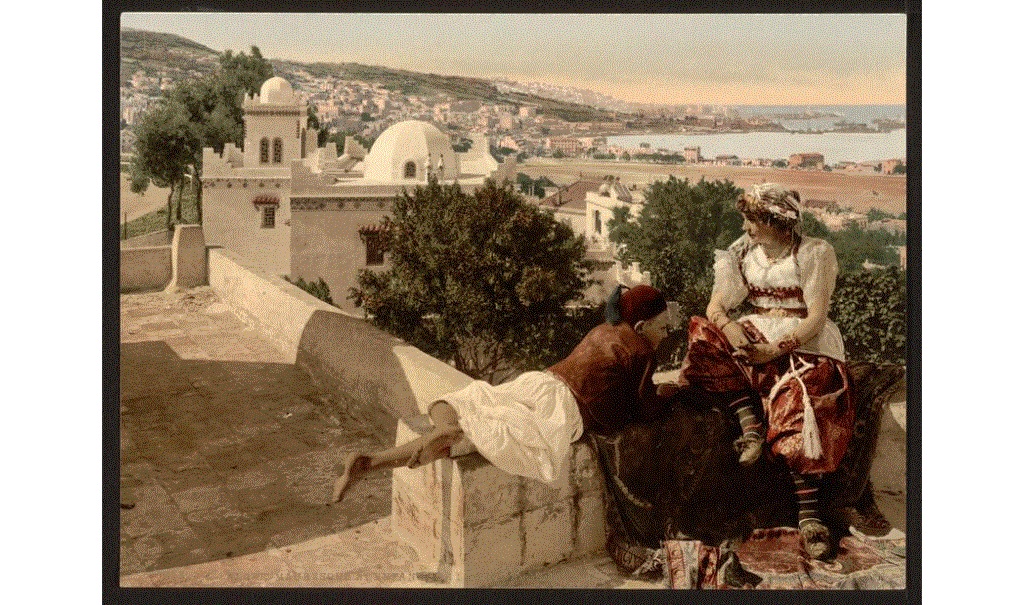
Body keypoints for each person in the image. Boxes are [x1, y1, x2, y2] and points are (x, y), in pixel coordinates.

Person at [332, 284, 678, 503]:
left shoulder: (604, 329)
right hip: (563, 409)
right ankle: (447, 433)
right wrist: (669, 392)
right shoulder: (640, 348)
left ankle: (370, 462)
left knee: (469, 402)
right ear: (641, 326)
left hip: (541, 383)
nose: (665, 335)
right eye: (662, 327)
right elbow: (644, 409)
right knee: (491, 435)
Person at [678, 183, 853, 560]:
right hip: (754, 334)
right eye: (746, 218)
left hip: (801, 341)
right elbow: (716, 306)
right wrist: (729, 326)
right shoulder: (742, 253)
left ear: (778, 222)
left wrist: (774, 350)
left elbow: (817, 319)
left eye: (754, 219)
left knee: (803, 400)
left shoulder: (813, 253)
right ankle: (751, 429)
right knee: (702, 336)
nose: (747, 226)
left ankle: (809, 517)